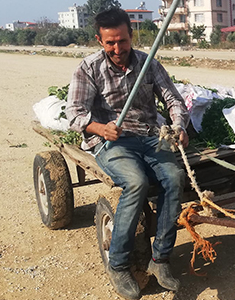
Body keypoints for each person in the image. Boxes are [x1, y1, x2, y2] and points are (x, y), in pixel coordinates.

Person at [65, 8, 188, 300]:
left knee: (174, 177)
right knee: (136, 183)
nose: (117, 49)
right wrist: (99, 128)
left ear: (131, 36)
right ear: (99, 41)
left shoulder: (148, 63)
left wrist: (179, 126)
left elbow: (173, 99)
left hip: (148, 136)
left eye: (122, 41)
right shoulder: (88, 69)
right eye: (110, 43)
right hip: (111, 142)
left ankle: (160, 260)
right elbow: (73, 114)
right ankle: (119, 264)